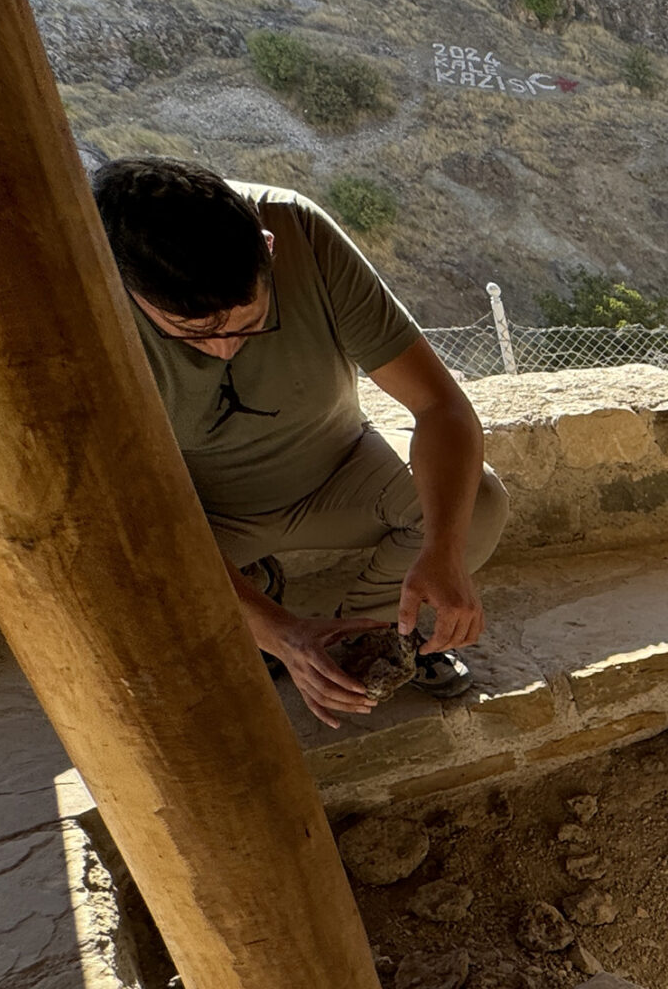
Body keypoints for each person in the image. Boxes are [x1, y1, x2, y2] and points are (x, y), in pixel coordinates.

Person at [92, 157, 507, 725]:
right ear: (127, 292)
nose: (225, 347)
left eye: (248, 320)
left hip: (337, 470)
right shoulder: (86, 293)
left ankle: (373, 637)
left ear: (267, 247)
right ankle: (266, 613)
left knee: (476, 504)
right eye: (193, 334)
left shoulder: (298, 230)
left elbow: (441, 407)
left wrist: (442, 551)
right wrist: (279, 632)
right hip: (196, 515)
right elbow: (125, 517)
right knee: (118, 601)